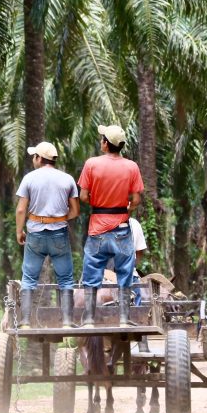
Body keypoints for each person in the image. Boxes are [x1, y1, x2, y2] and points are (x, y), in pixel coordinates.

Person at [78, 124, 144, 326]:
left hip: (97, 228)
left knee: (92, 272)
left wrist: (99, 204)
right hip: (122, 229)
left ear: (106, 144)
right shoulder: (132, 167)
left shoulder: (91, 164)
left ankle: (88, 317)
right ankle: (124, 318)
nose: (101, 142)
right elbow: (137, 199)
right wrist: (125, 209)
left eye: (102, 139)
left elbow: (82, 196)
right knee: (125, 271)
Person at [15, 141, 80, 328]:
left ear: (38, 158)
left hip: (34, 234)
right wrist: (57, 218)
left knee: (29, 278)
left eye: (33, 156)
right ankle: (67, 321)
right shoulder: (67, 179)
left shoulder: (29, 178)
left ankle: (26, 321)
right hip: (59, 233)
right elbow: (75, 211)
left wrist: (20, 232)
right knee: (66, 278)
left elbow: (21, 210)